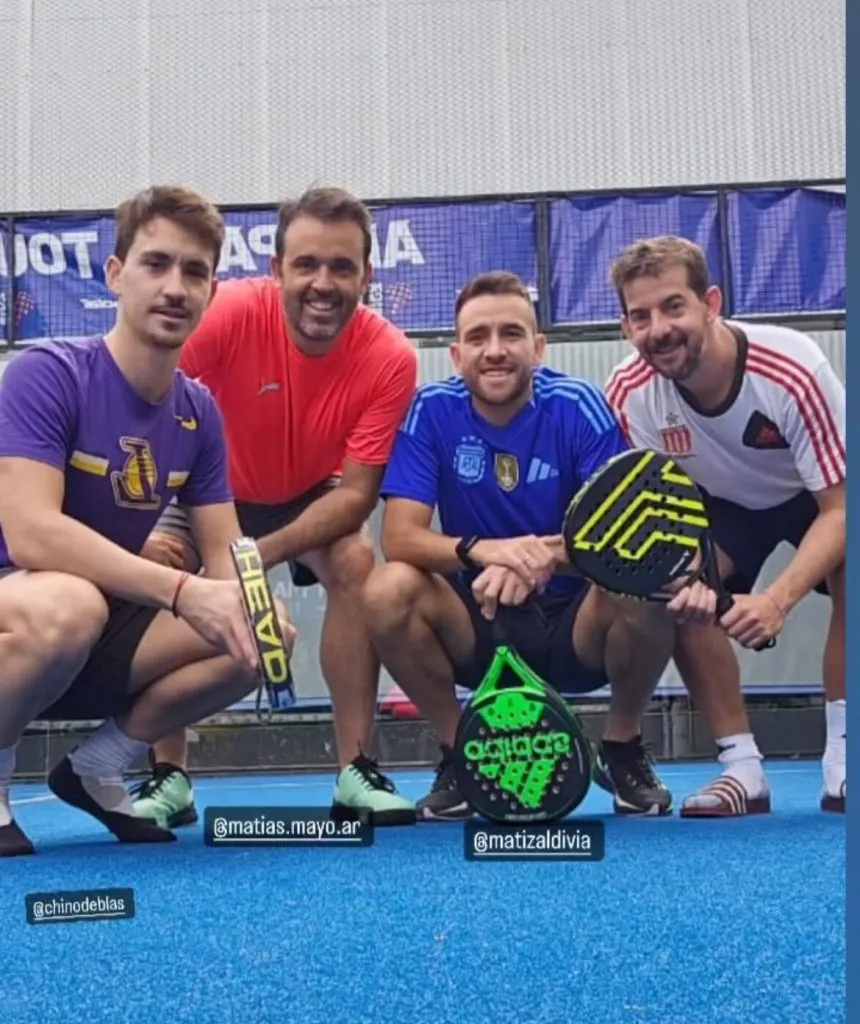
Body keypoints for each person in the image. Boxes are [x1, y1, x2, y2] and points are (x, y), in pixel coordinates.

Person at [0, 185, 296, 857]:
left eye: (194, 272)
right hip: (24, 609)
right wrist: (183, 592)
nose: (174, 287)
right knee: (68, 604)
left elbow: (224, 553)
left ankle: (96, 768)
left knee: (259, 632)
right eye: (155, 264)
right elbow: (32, 535)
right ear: (114, 274)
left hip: (98, 623)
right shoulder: (46, 374)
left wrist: (252, 611)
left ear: (212, 290)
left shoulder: (199, 412)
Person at [361, 270, 713, 820]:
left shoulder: (579, 405)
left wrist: (538, 557)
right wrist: (487, 551)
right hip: (477, 618)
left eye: (511, 334)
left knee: (645, 582)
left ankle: (620, 747)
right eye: (478, 338)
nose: (495, 351)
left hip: (578, 629)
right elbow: (400, 537)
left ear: (539, 346)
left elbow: (628, 532)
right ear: (456, 354)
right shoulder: (430, 411)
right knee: (385, 588)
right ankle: (464, 752)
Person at [131, 187, 419, 829]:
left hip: (309, 494)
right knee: (160, 563)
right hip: (206, 488)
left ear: (367, 276)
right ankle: (167, 774)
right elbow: (157, 418)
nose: (324, 283)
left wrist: (251, 556)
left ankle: (355, 770)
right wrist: (208, 549)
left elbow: (354, 497)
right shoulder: (225, 316)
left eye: (342, 267)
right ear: (276, 271)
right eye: (307, 265)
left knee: (353, 559)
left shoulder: (391, 357)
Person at [604, 235, 845, 815]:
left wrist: (776, 601)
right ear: (625, 326)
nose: (658, 329)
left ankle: (844, 759)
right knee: (672, 583)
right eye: (641, 316)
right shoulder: (628, 394)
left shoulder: (792, 368)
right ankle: (742, 771)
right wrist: (693, 583)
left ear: (710, 303)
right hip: (723, 506)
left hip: (814, 495)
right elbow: (656, 514)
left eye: (673, 307)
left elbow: (841, 507)